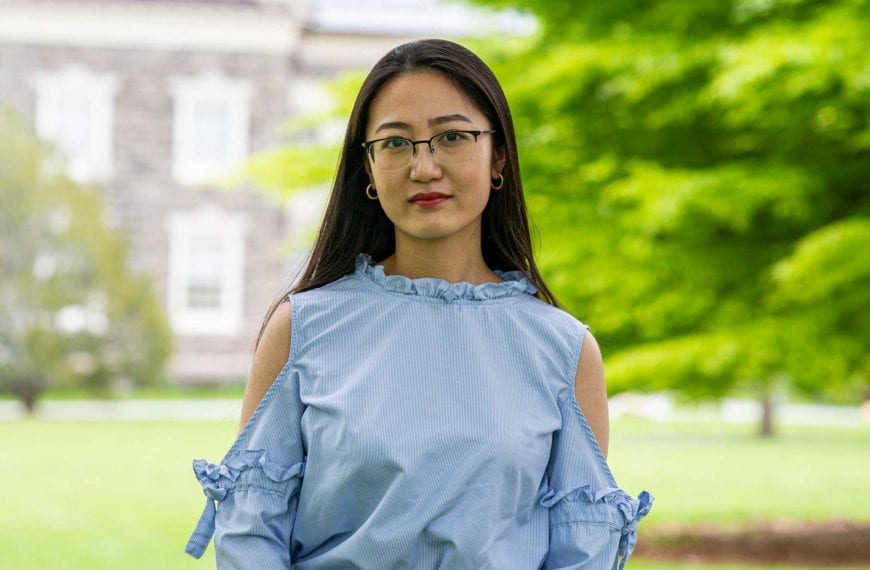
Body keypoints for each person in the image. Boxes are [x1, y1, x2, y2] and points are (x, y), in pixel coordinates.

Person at [184, 38, 653, 569]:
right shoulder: (302, 329)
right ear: (367, 168)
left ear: (497, 155)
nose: (424, 167)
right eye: (396, 143)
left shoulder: (564, 350)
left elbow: (581, 557)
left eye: (452, 137)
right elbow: (250, 537)